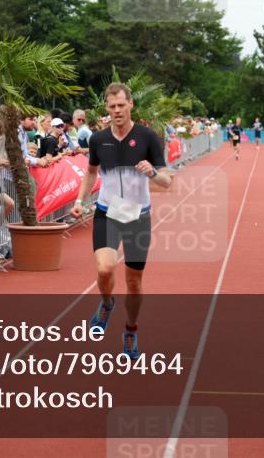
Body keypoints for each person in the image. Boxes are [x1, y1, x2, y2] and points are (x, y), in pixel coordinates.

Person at [70, 83, 171, 359]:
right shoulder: (98, 139)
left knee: (134, 283)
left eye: (121, 105)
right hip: (108, 213)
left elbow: (167, 180)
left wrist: (152, 172)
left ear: (131, 105)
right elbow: (90, 173)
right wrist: (79, 201)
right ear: (107, 108)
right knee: (104, 269)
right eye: (111, 106)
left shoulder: (148, 137)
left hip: (138, 216)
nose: (116, 111)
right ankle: (106, 303)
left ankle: (130, 331)